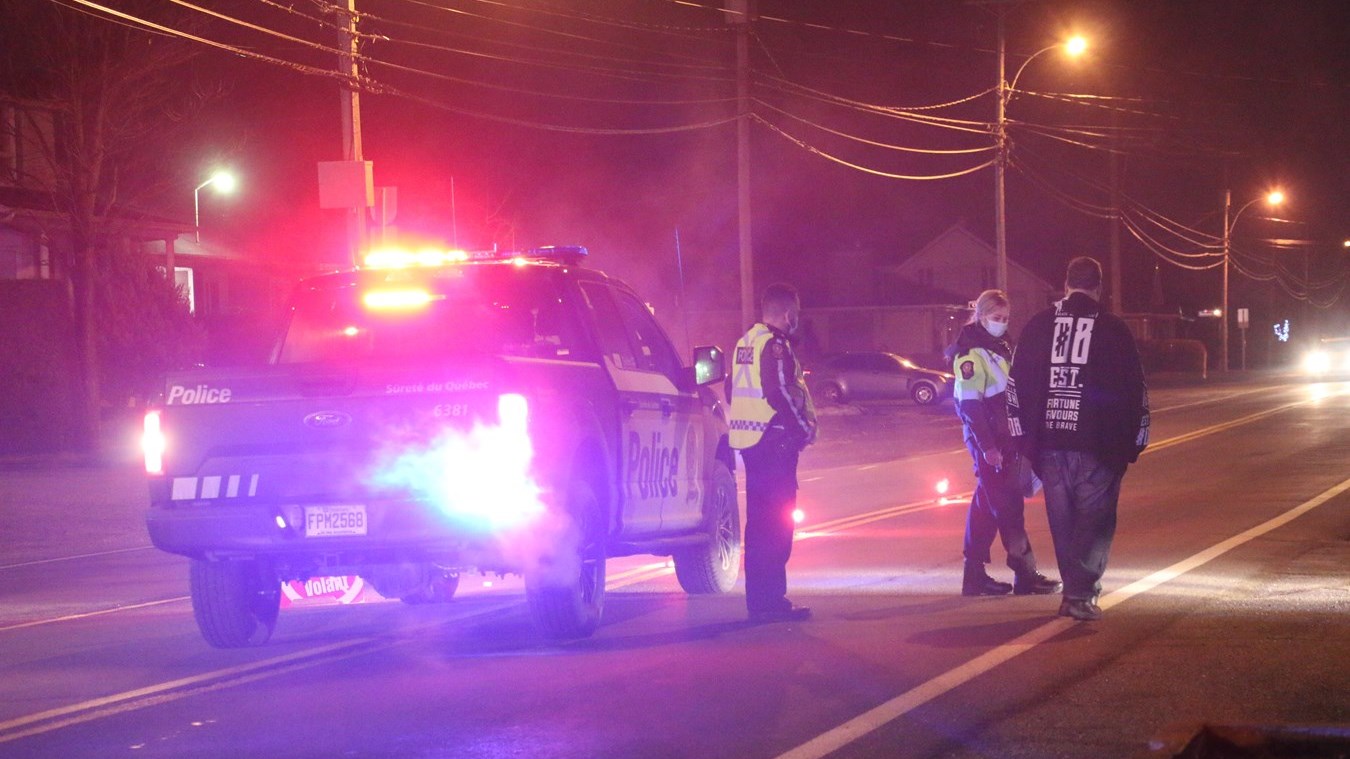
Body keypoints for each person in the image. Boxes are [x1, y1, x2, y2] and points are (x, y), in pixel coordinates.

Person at [1007, 257, 1150, 621]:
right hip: (1097, 444)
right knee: (1095, 522)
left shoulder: (1038, 327)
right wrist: (1134, 441)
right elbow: (1135, 388)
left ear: (1065, 284)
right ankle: (1079, 595)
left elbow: (1015, 386)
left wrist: (1022, 441)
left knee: (1064, 522)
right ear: (1099, 287)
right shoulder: (1113, 329)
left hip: (1050, 445)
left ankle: (1074, 592)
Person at [947, 290, 1062, 598]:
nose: (1002, 323)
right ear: (981, 315)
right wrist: (987, 447)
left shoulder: (999, 347)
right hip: (991, 443)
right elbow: (969, 405)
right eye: (996, 318)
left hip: (1005, 439)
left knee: (987, 505)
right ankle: (1026, 575)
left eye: (1006, 318)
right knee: (1009, 506)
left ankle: (974, 577)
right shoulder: (970, 354)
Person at [729, 283, 817, 622]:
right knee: (777, 526)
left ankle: (760, 601)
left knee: (759, 526)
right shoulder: (775, 345)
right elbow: (777, 392)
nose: (797, 319)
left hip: (752, 445)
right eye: (796, 313)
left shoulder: (746, 341)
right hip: (774, 443)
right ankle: (772, 602)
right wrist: (802, 429)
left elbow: (731, 386)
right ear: (788, 314)